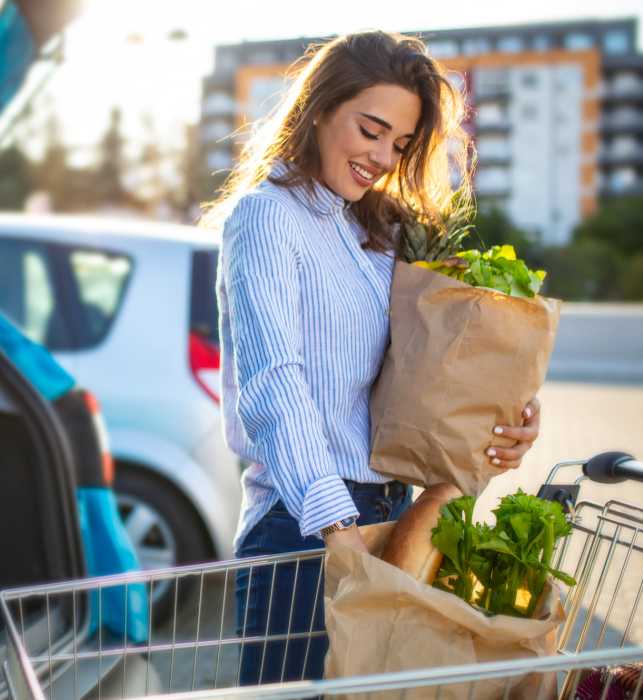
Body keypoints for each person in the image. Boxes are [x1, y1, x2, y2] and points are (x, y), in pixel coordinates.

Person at [202, 31, 543, 685]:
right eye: (371, 129)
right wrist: (338, 528)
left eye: (401, 144)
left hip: (392, 517)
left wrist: (508, 418)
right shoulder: (266, 218)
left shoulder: (373, 234)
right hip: (306, 532)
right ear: (321, 108)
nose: (382, 156)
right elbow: (276, 382)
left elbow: (426, 368)